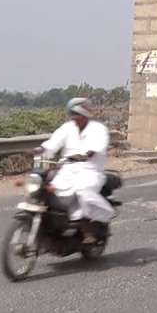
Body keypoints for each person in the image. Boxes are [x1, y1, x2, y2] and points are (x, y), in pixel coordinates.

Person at [37, 97, 114, 243]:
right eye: (73, 114)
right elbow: (53, 143)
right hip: (67, 170)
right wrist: (39, 149)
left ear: (85, 114)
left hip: (90, 171)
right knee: (48, 190)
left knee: (82, 191)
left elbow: (98, 146)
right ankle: (54, 225)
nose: (75, 118)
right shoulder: (67, 128)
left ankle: (88, 228)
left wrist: (87, 154)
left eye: (78, 114)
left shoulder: (98, 129)